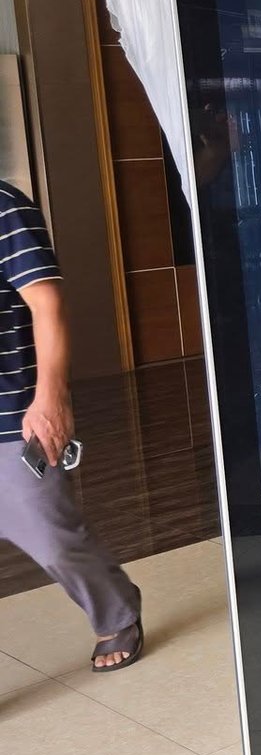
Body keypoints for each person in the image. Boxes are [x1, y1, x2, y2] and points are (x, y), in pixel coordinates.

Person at [0, 180, 143, 671]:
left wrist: (51, 397)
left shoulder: (4, 207)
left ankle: (116, 612)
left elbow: (47, 304)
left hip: (9, 416)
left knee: (55, 541)